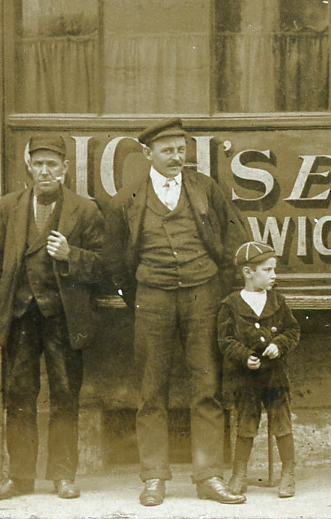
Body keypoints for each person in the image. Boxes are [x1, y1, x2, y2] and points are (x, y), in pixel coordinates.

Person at [105, 117, 248, 508]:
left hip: (203, 295)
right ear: (148, 154)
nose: (175, 157)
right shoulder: (127, 199)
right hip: (152, 300)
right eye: (167, 151)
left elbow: (236, 236)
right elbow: (115, 261)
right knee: (151, 391)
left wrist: (228, 290)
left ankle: (209, 476)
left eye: (180, 149)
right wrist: (139, 294)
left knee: (207, 388)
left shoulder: (205, 189)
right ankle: (153, 478)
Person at [0, 133, 105, 502]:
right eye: (38, 164)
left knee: (65, 397)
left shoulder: (84, 210)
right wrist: (18, 297)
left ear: (65, 168)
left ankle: (62, 476)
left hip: (63, 319)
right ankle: (20, 478)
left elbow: (105, 267)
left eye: (52, 164)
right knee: (18, 398)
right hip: (22, 318)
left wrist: (72, 255)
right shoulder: (9, 207)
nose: (45, 171)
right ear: (29, 167)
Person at [218, 243, 300, 499]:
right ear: (248, 272)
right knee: (245, 425)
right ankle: (239, 473)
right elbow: (225, 340)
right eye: (267, 270)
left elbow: (293, 331)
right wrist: (245, 358)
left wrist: (279, 345)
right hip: (246, 378)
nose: (274, 275)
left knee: (282, 423)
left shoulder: (278, 301)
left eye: (273, 269)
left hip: (275, 376)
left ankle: (288, 471)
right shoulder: (231, 305)